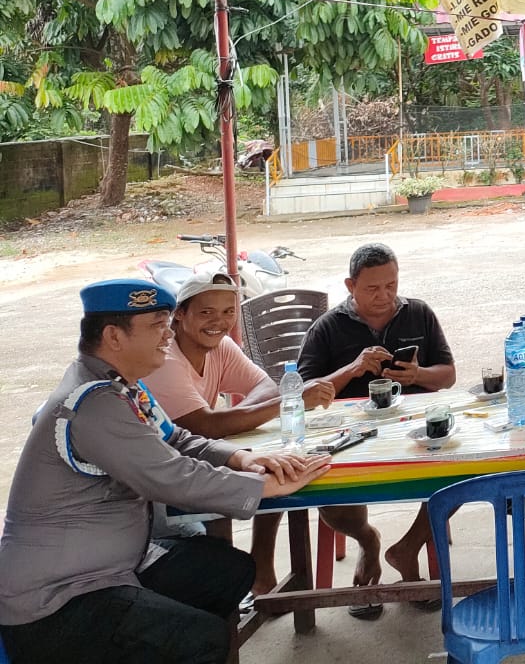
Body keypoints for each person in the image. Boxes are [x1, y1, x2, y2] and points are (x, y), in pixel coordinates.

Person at [0, 280, 330, 664]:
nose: (169, 333)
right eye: (157, 325)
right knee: (201, 639)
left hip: (116, 568)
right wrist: (262, 487)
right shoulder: (92, 403)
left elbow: (177, 439)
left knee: (228, 570)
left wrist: (243, 460)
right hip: (57, 598)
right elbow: (169, 475)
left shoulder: (123, 388)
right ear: (113, 336)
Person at [142, 269, 336, 593]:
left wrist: (238, 416)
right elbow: (204, 425)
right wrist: (290, 401)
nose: (218, 321)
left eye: (228, 312)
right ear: (179, 315)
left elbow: (265, 386)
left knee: (276, 465)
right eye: (206, 312)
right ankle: (235, 590)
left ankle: (260, 568)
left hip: (193, 455)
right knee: (270, 475)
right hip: (160, 485)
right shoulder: (166, 359)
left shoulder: (221, 346)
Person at [297, 243, 456, 617]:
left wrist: (418, 375)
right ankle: (368, 542)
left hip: (412, 426)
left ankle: (410, 546)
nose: (384, 296)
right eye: (372, 288)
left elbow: (448, 375)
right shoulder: (328, 327)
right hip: (347, 433)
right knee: (326, 484)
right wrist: (352, 369)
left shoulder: (418, 313)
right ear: (350, 285)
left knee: (459, 472)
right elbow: (303, 393)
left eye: (391, 285)